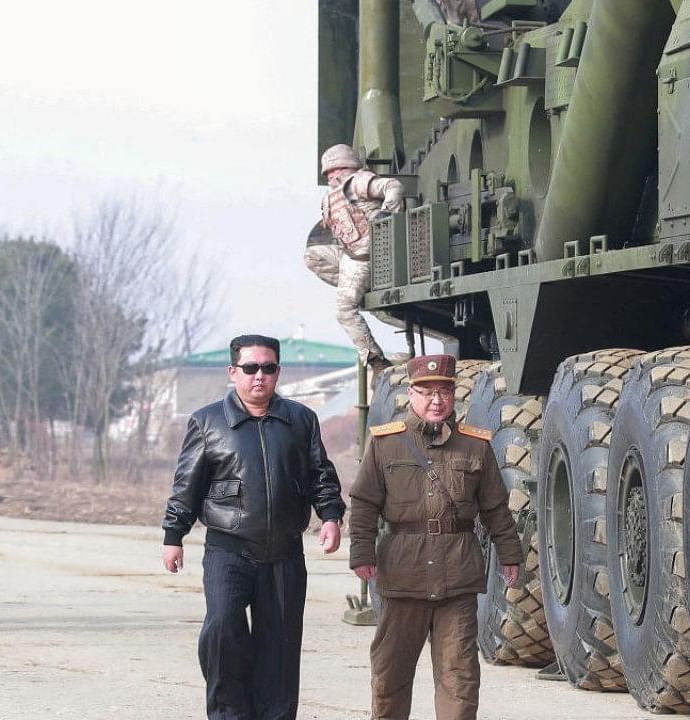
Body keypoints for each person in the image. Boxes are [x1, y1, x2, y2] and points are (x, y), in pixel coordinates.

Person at [162, 334, 345, 720]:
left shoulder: (300, 419)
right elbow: (186, 484)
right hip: (228, 549)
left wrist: (330, 515)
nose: (259, 376)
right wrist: (173, 535)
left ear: (278, 371)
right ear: (233, 372)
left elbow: (320, 475)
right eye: (250, 368)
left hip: (284, 552)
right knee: (222, 630)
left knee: (279, 646)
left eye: (268, 367)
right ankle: (230, 713)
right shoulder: (208, 421)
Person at [348, 354, 522, 720]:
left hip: (457, 577)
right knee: (390, 675)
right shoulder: (385, 444)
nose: (436, 400)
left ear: (453, 395)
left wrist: (509, 553)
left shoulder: (475, 446)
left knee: (459, 679)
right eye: (426, 391)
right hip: (402, 577)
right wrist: (361, 552)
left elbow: (495, 507)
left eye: (443, 391)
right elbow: (364, 503)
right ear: (410, 394)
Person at [312, 143, 404, 378]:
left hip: (366, 256)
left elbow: (393, 186)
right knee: (312, 256)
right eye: (328, 172)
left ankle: (375, 358)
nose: (332, 175)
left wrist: (387, 213)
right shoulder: (331, 197)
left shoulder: (359, 182)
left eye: (337, 169)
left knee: (344, 310)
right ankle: (357, 289)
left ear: (350, 166)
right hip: (349, 255)